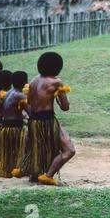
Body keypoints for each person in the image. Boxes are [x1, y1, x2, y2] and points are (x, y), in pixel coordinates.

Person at [23, 52, 75, 186]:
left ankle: (34, 175)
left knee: (38, 149)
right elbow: (65, 107)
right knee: (69, 150)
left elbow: (29, 102)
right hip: (48, 121)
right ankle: (48, 176)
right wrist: (58, 99)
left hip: (33, 122)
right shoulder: (56, 82)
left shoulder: (33, 81)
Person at [0, 71, 30, 178]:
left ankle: (7, 169)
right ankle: (20, 169)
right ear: (25, 82)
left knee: (9, 149)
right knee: (24, 146)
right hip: (15, 127)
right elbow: (30, 112)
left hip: (5, 126)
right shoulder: (20, 95)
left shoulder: (8, 93)